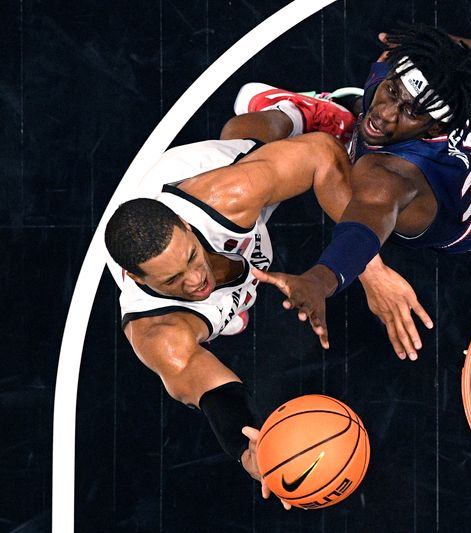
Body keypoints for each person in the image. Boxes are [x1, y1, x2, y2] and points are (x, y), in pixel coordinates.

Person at [232, 24, 471, 357]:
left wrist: (320, 279)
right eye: (391, 91)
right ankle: (336, 114)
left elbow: (364, 225)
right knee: (357, 121)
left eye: (410, 111)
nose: (388, 113)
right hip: (463, 117)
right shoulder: (400, 65)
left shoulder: (391, 175)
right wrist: (439, 47)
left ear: (429, 128)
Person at [104, 132, 353, 506]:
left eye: (190, 258)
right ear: (137, 279)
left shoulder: (227, 196)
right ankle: (227, 308)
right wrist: (246, 450)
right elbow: (213, 392)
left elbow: (322, 152)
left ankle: (288, 109)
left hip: (209, 176)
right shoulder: (159, 331)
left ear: (188, 229)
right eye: (172, 279)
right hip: (208, 287)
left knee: (270, 135)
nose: (195, 280)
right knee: (197, 336)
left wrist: (365, 266)